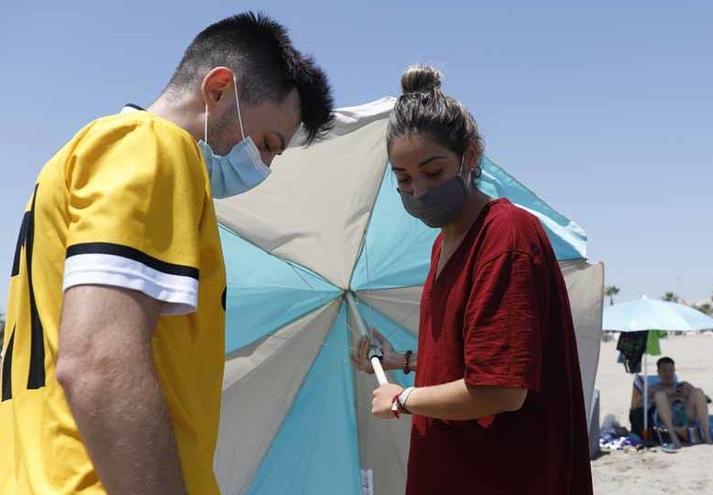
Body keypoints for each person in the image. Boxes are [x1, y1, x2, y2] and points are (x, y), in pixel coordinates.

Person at [0, 13, 333, 495]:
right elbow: (98, 359)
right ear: (218, 90)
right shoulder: (154, 146)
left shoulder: (74, 157)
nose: (262, 166)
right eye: (266, 144)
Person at [351, 65, 591, 495]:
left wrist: (401, 398)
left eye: (433, 171)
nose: (418, 190)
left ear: (471, 155)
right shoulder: (443, 246)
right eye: (403, 178)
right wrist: (402, 362)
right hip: (450, 468)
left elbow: (500, 388)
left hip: (502, 474)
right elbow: (474, 356)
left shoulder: (506, 235)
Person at [646, 357, 712, 449]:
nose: (668, 374)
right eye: (664, 370)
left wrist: (687, 394)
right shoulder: (653, 388)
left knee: (698, 391)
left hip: (687, 413)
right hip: (668, 417)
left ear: (674, 370)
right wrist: (668, 394)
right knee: (660, 395)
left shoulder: (683, 385)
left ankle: (707, 436)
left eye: (670, 370)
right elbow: (643, 404)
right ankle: (674, 438)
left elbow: (706, 399)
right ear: (658, 372)